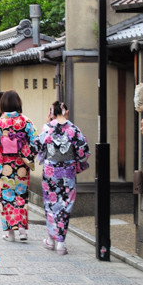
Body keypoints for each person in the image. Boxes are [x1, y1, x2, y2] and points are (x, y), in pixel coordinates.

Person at [35, 101, 90, 255]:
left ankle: (51, 239)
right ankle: (60, 243)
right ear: (66, 111)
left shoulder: (47, 128)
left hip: (50, 172)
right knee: (65, 205)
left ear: (51, 112)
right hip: (67, 172)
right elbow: (83, 151)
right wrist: (74, 162)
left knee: (51, 204)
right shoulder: (73, 129)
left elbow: (38, 147)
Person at [0, 90, 38, 242]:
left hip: (3, 166)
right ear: (18, 103)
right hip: (21, 166)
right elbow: (35, 142)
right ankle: (22, 230)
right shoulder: (26, 121)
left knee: (6, 199)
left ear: (2, 104)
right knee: (20, 197)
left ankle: (10, 233)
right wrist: (27, 154)